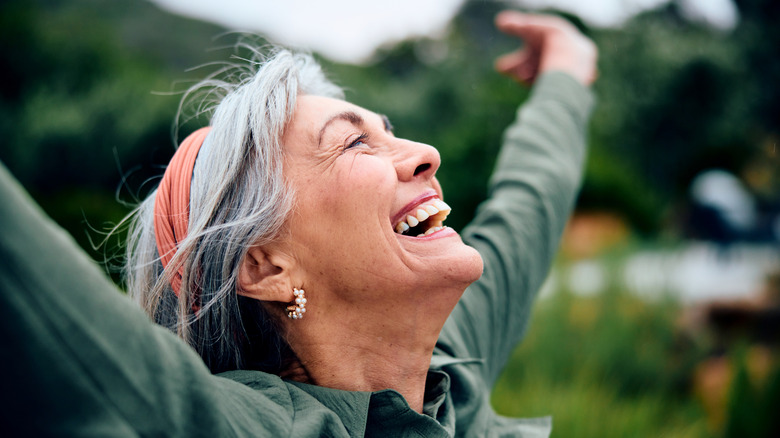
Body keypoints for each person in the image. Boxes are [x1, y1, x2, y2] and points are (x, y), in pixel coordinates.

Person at [0, 11, 596, 437]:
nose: (425, 153)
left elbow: (531, 201)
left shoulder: (449, 368)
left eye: (389, 129)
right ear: (265, 266)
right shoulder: (237, 426)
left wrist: (567, 73)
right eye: (356, 143)